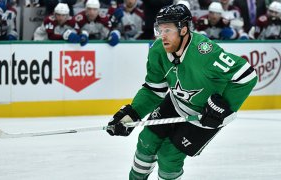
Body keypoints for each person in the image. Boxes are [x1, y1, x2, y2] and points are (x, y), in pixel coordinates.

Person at [106, 4, 257, 180]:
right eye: (160, 30)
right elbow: (155, 89)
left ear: (183, 30)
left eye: (168, 30)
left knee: (169, 157)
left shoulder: (204, 52)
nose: (162, 36)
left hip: (204, 116)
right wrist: (133, 112)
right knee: (146, 141)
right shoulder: (157, 50)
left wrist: (223, 108)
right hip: (175, 102)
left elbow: (247, 75)